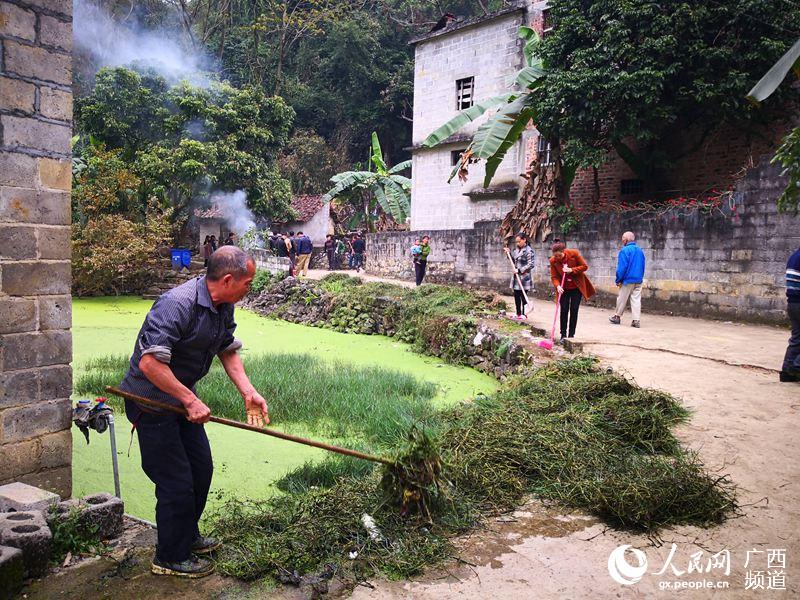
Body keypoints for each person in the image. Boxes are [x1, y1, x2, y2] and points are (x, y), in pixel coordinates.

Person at [119, 246, 269, 578]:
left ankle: (186, 535)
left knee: (201, 469)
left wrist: (249, 393)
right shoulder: (177, 304)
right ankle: (169, 557)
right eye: (248, 282)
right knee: (176, 482)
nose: (250, 288)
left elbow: (226, 349)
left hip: (182, 398)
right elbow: (149, 363)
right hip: (152, 402)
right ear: (228, 279)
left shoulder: (223, 305)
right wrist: (189, 400)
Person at [550, 240, 596, 341]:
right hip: (563, 289)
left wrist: (571, 270)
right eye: (555, 256)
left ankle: (571, 335)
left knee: (574, 310)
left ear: (563, 251)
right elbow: (554, 277)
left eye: (559, 255)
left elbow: (584, 267)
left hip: (576, 287)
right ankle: (563, 335)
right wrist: (557, 286)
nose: (557, 258)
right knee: (564, 310)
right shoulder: (553, 261)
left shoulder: (574, 254)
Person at [609, 231, 646, 328]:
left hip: (627, 279)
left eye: (622, 238)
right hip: (638, 279)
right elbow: (643, 265)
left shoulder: (625, 250)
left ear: (625, 239)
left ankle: (617, 316)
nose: (622, 240)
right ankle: (636, 320)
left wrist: (618, 279)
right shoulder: (640, 250)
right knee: (636, 300)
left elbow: (622, 267)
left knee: (621, 298)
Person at [781, 245, 800, 382]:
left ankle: (787, 373)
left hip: (792, 303)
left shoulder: (794, 257)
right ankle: (797, 366)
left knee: (796, 338)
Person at [506, 233, 534, 320]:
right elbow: (513, 260)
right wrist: (508, 254)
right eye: (516, 242)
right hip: (516, 277)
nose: (517, 243)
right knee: (516, 295)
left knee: (523, 296)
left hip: (524, 278)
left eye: (519, 241)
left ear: (524, 240)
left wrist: (519, 270)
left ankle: (524, 314)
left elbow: (531, 264)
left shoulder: (529, 251)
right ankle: (518, 313)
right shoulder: (516, 250)